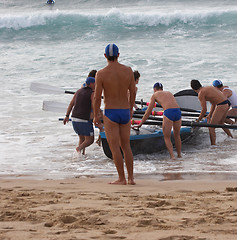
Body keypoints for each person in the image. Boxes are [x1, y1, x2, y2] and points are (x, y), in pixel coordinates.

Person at [93, 43, 136, 185]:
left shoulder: (101, 73)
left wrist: (95, 115)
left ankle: (121, 178)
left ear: (105, 55)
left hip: (111, 112)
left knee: (115, 147)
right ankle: (131, 178)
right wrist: (130, 108)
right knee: (126, 146)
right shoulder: (128, 70)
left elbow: (97, 97)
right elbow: (133, 91)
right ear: (118, 55)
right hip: (124, 111)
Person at [135, 82, 182, 159]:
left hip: (169, 112)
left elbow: (148, 111)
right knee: (177, 135)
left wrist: (140, 123)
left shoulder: (155, 95)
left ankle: (172, 157)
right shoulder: (169, 93)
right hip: (178, 111)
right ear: (162, 89)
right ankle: (179, 155)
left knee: (167, 136)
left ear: (154, 89)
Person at [190, 79, 233, 145]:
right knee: (221, 123)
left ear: (193, 88)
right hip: (227, 103)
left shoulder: (201, 93)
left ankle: (213, 146)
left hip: (222, 105)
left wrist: (198, 120)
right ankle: (231, 138)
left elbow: (204, 110)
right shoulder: (208, 88)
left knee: (211, 127)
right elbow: (213, 104)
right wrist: (209, 115)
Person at [63, 76, 96, 155]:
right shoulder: (92, 93)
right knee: (90, 140)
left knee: (82, 138)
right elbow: (94, 106)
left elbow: (71, 104)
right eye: (95, 83)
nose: (96, 85)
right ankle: (79, 148)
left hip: (74, 118)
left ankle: (80, 156)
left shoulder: (78, 91)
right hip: (84, 119)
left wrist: (67, 116)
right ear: (91, 84)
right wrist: (96, 117)